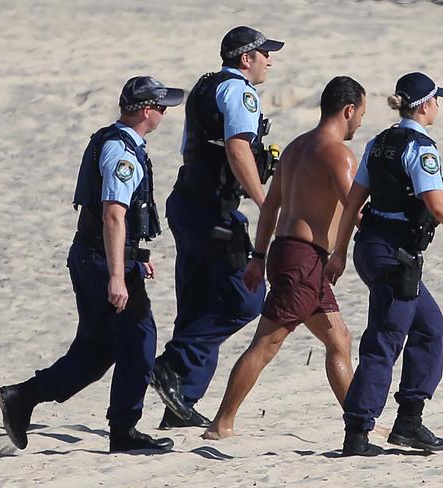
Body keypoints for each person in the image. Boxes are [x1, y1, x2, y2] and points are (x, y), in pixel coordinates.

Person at [0, 76, 184, 453]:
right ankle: (124, 431)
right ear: (146, 110)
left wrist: (133, 259)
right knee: (139, 341)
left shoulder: (114, 140)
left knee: (96, 351)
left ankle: (23, 397)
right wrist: (118, 275)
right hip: (100, 262)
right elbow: (113, 216)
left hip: (94, 257)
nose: (164, 113)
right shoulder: (122, 153)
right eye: (162, 107)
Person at [325, 72, 443, 456]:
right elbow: (437, 205)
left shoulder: (379, 142)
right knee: (385, 341)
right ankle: (357, 432)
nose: (439, 107)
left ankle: (408, 422)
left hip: (370, 249)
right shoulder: (420, 149)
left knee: (430, 328)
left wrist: (339, 252)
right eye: (438, 100)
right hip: (395, 256)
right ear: (424, 105)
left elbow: (353, 203)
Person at [203, 76, 367, 440]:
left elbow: (269, 208)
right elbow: (354, 208)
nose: (360, 123)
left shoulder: (295, 148)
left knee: (339, 340)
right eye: (361, 115)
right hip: (303, 260)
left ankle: (360, 421)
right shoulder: (339, 154)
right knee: (266, 343)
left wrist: (259, 256)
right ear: (348, 110)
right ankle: (221, 423)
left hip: (289, 254)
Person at [151, 26, 284, 429]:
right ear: (246, 59)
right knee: (246, 297)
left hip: (188, 202)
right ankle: (172, 366)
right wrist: (264, 200)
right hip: (212, 211)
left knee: (197, 303)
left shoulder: (207, 85)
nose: (270, 61)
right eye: (265, 54)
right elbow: (238, 147)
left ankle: (181, 403)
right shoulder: (239, 91)